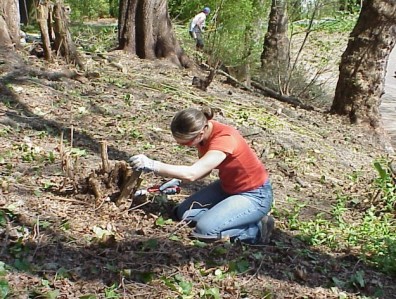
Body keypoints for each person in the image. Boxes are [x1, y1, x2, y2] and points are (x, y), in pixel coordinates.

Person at [129, 107, 274, 245]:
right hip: (228, 188)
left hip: (254, 195)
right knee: (183, 213)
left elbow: (192, 173)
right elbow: (205, 170)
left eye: (187, 142)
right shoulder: (203, 134)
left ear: (201, 132)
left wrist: (153, 165)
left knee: (206, 230)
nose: (186, 146)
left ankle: (257, 230)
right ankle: (225, 215)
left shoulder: (224, 139)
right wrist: (178, 179)